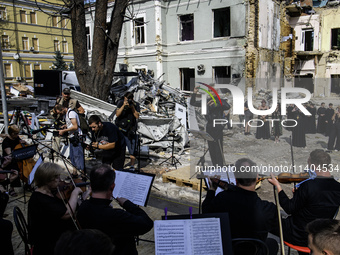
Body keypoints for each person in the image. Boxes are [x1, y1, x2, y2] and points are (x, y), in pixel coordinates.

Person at [202, 158, 278, 255]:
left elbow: (205, 214)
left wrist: (212, 190)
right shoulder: (268, 209)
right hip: (254, 252)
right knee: (272, 243)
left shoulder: (222, 199)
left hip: (230, 251)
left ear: (236, 178)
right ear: (257, 178)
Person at [268, 149, 340, 247]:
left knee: (266, 216)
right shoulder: (338, 187)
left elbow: (289, 208)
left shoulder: (308, 185)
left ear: (313, 166)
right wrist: (299, 195)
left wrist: (278, 187)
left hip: (298, 235)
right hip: (320, 236)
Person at [77, 165, 153, 255]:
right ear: (112, 186)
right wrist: (127, 204)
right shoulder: (116, 216)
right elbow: (147, 223)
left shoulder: (82, 207)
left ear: (91, 186)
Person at [28, 162, 83, 255]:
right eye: (57, 177)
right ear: (47, 180)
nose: (60, 180)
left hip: (57, 234)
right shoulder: (40, 199)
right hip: (49, 243)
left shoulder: (50, 192)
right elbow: (67, 213)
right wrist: (74, 193)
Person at [190, 84, 230, 167]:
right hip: (209, 126)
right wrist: (194, 93)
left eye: (212, 90)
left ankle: (220, 166)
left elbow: (227, 106)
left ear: (217, 91)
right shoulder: (206, 101)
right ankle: (215, 165)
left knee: (218, 148)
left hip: (218, 126)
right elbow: (193, 103)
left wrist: (217, 103)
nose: (211, 92)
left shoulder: (220, 100)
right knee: (211, 147)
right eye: (209, 90)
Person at [54, 104, 84, 175]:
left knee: (78, 156)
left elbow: (75, 126)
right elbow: (71, 124)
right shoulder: (67, 114)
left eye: (60, 113)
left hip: (77, 137)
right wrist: (65, 126)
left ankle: (81, 174)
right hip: (72, 137)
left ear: (62, 109)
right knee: (73, 156)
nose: (60, 114)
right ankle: (74, 173)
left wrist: (64, 131)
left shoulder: (71, 113)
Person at [115, 92, 140, 170]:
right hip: (121, 129)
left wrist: (132, 107)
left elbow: (137, 116)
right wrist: (123, 105)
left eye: (128, 100)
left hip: (130, 130)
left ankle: (132, 166)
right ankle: (119, 165)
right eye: (125, 99)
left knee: (132, 150)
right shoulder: (120, 103)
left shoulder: (136, 105)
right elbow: (117, 114)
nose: (126, 101)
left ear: (132, 99)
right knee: (120, 149)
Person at [2, 125, 25, 196]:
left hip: (16, 158)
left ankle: (27, 183)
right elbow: (9, 154)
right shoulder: (6, 142)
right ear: (12, 134)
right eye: (16, 133)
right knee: (15, 167)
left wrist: (24, 143)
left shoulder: (16, 138)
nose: (18, 135)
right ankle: (11, 189)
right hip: (7, 161)